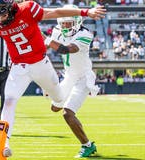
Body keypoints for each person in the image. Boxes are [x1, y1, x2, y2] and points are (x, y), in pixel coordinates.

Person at [0, 0, 106, 157]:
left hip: (41, 64)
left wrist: (85, 12)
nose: (1, 19)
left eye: (4, 15)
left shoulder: (28, 9)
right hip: (19, 67)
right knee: (9, 100)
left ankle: (51, 90)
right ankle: (4, 142)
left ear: (11, 9)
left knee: (58, 98)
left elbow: (55, 13)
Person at [43, 4, 100, 157]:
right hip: (69, 76)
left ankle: (87, 145)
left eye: (69, 23)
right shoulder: (57, 31)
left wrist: (46, 40)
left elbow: (67, 49)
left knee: (67, 113)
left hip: (83, 78)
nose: (66, 26)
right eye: (63, 23)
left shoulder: (85, 34)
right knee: (55, 108)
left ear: (77, 21)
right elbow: (44, 49)